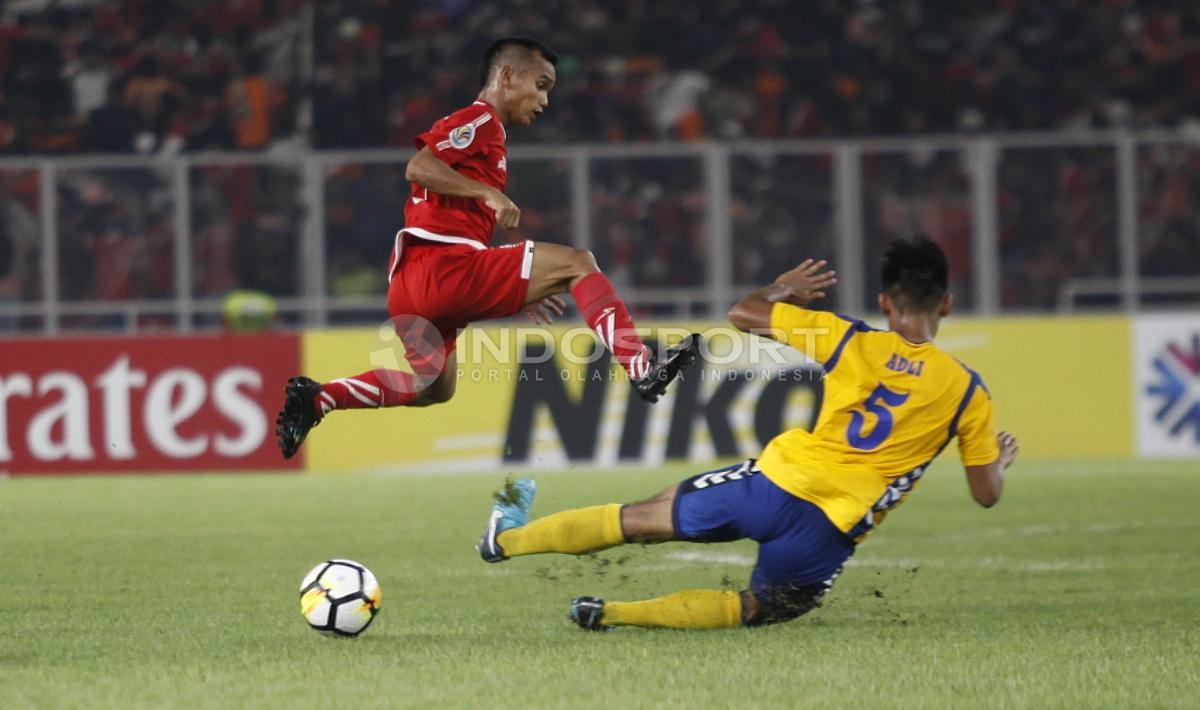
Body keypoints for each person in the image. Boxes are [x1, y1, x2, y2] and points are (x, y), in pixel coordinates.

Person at [478, 238, 1020, 630]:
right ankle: (611, 615)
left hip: (774, 484)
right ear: (946, 304)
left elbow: (743, 313)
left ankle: (504, 540)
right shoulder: (968, 391)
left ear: (884, 302)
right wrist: (997, 460)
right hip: (831, 526)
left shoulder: (850, 338)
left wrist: (784, 288)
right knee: (762, 608)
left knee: (645, 517)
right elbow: (987, 494)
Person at [275, 37, 699, 459]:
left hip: (411, 288)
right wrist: (487, 193)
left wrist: (522, 289)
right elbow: (419, 167)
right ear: (508, 75)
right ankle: (641, 365)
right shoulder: (480, 122)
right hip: (440, 270)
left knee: (433, 388)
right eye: (541, 84)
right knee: (578, 263)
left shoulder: (487, 136)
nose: (544, 100)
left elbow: (456, 217)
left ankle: (320, 398)